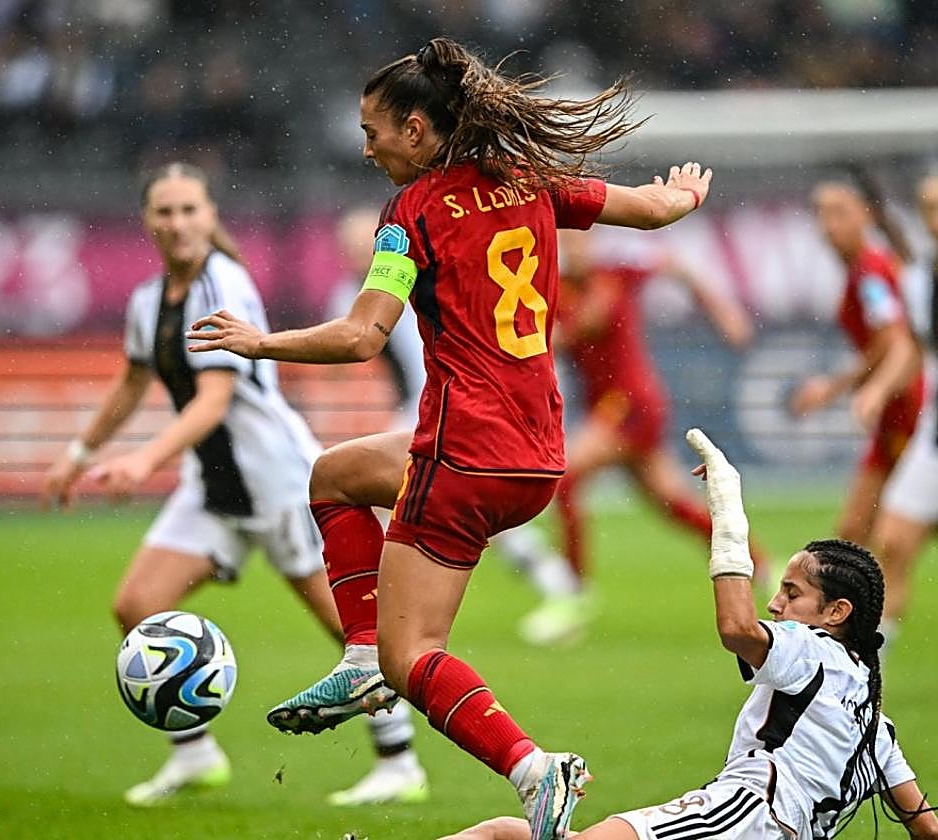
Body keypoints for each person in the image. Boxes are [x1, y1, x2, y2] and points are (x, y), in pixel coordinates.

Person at [186, 37, 716, 838]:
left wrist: (260, 343)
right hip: (536, 455)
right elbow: (645, 210)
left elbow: (363, 335)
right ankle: (359, 655)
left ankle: (531, 769)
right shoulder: (529, 179)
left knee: (414, 657)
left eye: (373, 133)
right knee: (334, 474)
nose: (367, 150)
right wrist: (680, 197)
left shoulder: (411, 215)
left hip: (462, 452)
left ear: (417, 129)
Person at [40, 162, 426, 808]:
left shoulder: (224, 283)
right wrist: (80, 453)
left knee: (352, 629)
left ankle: (400, 763)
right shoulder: (147, 301)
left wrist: (143, 461)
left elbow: (213, 399)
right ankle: (195, 754)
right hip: (214, 487)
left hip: (280, 483)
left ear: (211, 215)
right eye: (165, 211)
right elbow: (132, 383)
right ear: (147, 222)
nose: (178, 223)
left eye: (190, 209)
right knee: (137, 605)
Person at [441, 429, 938, 840]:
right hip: (759, 824)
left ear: (836, 613)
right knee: (505, 834)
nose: (776, 604)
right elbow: (926, 827)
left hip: (741, 817)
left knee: (516, 836)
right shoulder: (875, 727)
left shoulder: (814, 652)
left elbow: (737, 628)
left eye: (792, 593)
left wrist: (727, 510)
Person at [520, 228, 759, 645]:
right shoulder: (551, 290)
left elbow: (679, 268)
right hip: (610, 408)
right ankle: (761, 564)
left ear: (591, 240)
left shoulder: (617, 273)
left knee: (565, 477)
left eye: (578, 240)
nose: (573, 249)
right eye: (564, 242)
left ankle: (573, 593)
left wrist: (725, 313)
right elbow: (547, 338)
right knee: (674, 505)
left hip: (630, 402)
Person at [328, 206, 553, 596]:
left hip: (439, 404)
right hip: (415, 407)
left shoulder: (405, 280)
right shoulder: (348, 296)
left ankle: (380, 593)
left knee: (381, 490)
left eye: (364, 245)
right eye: (349, 247)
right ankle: (542, 569)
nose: (357, 254)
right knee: (448, 502)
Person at [790, 180, 923, 546]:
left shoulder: (870, 272)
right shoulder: (866, 268)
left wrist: (840, 388)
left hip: (908, 407)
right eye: (821, 214)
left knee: (880, 534)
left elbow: (895, 340)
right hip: (894, 409)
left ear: (866, 216)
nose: (828, 225)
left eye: (839, 213)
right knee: (856, 532)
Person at [871, 173, 938, 648]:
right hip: (932, 437)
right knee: (892, 542)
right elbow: (914, 349)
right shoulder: (919, 278)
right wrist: (878, 389)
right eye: (927, 207)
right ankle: (867, 675)